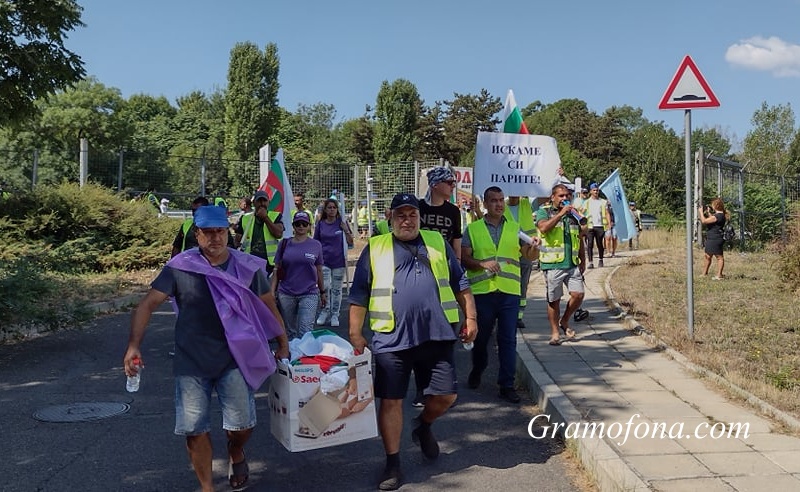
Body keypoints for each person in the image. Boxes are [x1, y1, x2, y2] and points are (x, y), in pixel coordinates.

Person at [123, 205, 289, 492]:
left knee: (241, 425)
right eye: (208, 233)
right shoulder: (180, 267)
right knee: (194, 428)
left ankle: (236, 450)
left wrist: (283, 342)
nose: (215, 238)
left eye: (220, 232)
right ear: (197, 235)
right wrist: (134, 346)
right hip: (191, 361)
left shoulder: (247, 267)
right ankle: (207, 487)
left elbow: (268, 304)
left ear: (228, 233)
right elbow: (147, 304)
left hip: (235, 358)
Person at [348, 192, 477, 491]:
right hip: (392, 338)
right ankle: (392, 462)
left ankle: (424, 425)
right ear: (390, 218)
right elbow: (358, 294)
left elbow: (461, 283)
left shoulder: (436, 242)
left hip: (437, 333)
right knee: (391, 401)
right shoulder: (376, 247)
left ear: (420, 217)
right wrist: (355, 332)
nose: (407, 220)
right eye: (401, 215)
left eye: (412, 215)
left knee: (446, 396)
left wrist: (471, 318)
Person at [461, 186, 539, 404]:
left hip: (509, 293)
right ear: (485, 204)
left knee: (508, 340)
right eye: (493, 200)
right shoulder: (473, 229)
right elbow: (464, 258)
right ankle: (478, 368)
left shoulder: (515, 228)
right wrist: (481, 263)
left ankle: (507, 384)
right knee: (481, 338)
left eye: (501, 200)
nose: (499, 204)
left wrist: (534, 247)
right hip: (483, 293)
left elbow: (529, 256)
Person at [413, 166, 463, 407]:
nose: (452, 187)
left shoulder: (453, 212)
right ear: (435, 184)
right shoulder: (418, 209)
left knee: (443, 335)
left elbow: (456, 246)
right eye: (449, 183)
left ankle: (443, 388)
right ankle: (422, 389)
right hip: (419, 275)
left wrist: (457, 276)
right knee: (420, 338)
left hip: (443, 278)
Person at [536, 184, 587, 346]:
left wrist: (583, 260)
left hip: (571, 263)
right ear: (553, 197)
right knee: (554, 300)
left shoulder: (573, 215)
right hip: (553, 264)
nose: (565, 199)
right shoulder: (544, 211)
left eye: (567, 196)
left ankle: (564, 320)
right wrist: (560, 214)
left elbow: (579, 238)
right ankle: (555, 333)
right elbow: (543, 228)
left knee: (578, 295)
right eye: (561, 196)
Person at [272, 211, 325, 339]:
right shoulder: (284, 244)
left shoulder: (316, 245)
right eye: (298, 224)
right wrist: (272, 291)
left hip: (309, 293)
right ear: (293, 226)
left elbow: (319, 270)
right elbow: (276, 269)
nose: (301, 226)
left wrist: (323, 292)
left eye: (304, 224)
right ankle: (291, 357)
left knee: (305, 330)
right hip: (286, 293)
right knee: (289, 332)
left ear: (309, 226)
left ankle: (304, 357)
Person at [313, 198, 354, 327]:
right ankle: (325, 311)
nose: (332, 210)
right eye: (329, 207)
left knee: (337, 289)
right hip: (324, 260)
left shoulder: (341, 223)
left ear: (337, 209)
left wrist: (345, 230)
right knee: (325, 287)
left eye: (334, 207)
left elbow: (351, 242)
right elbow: (316, 242)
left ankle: (335, 314)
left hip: (339, 261)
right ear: (325, 210)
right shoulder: (321, 224)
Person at [504, 194, 536, 329]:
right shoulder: (502, 205)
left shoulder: (526, 204)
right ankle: (507, 313)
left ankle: (518, 317)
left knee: (523, 285)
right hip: (508, 250)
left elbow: (545, 194)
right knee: (509, 283)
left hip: (527, 249)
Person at [235, 190, 285, 270]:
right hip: (250, 263)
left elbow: (278, 234)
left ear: (269, 202)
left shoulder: (276, 216)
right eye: (259, 201)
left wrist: (265, 218)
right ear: (254, 203)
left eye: (264, 200)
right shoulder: (245, 218)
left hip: (270, 265)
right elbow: (237, 241)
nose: (262, 204)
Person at [580, 183, 609, 268]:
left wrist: (608, 223)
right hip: (590, 226)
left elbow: (607, 213)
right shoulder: (587, 202)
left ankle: (600, 259)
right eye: (594, 190)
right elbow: (581, 211)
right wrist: (582, 217)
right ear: (591, 191)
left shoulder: (603, 202)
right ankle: (590, 262)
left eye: (597, 190)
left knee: (600, 244)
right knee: (590, 244)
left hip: (600, 225)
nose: (596, 192)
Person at [699, 197, 729, 279]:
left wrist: (701, 212)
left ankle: (719, 275)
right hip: (713, 238)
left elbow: (704, 221)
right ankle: (704, 273)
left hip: (715, 239)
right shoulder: (720, 215)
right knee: (707, 256)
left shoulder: (718, 216)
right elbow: (713, 220)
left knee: (719, 257)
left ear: (716, 206)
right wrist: (709, 213)